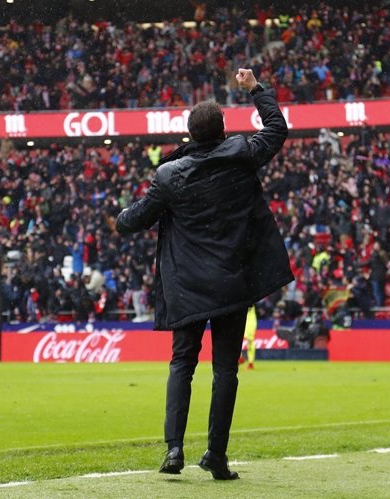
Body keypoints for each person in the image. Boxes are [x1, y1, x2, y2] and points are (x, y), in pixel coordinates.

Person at [116, 68, 292, 480]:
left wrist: (121, 216)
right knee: (225, 370)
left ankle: (174, 450)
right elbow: (277, 129)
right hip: (232, 281)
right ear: (223, 129)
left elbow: (135, 220)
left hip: (189, 287)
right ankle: (216, 454)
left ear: (190, 134)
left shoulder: (169, 175)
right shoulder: (242, 153)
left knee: (182, 364)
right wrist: (255, 90)